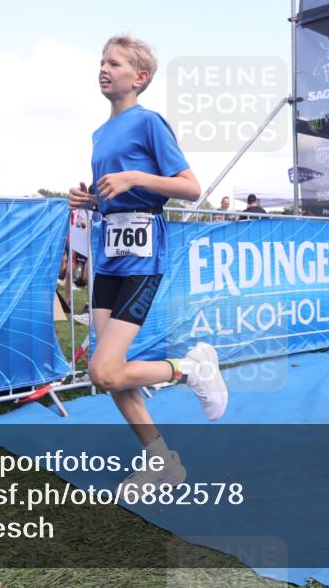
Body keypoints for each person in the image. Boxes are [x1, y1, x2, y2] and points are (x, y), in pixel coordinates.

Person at [67, 33, 227, 488]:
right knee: (111, 374)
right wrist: (89, 199)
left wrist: (137, 176)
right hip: (108, 252)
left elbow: (191, 187)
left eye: (114, 64)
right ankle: (161, 459)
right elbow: (112, 194)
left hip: (141, 253)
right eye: (101, 61)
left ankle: (190, 368)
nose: (103, 69)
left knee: (103, 371)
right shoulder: (99, 133)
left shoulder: (149, 122)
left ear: (139, 78)